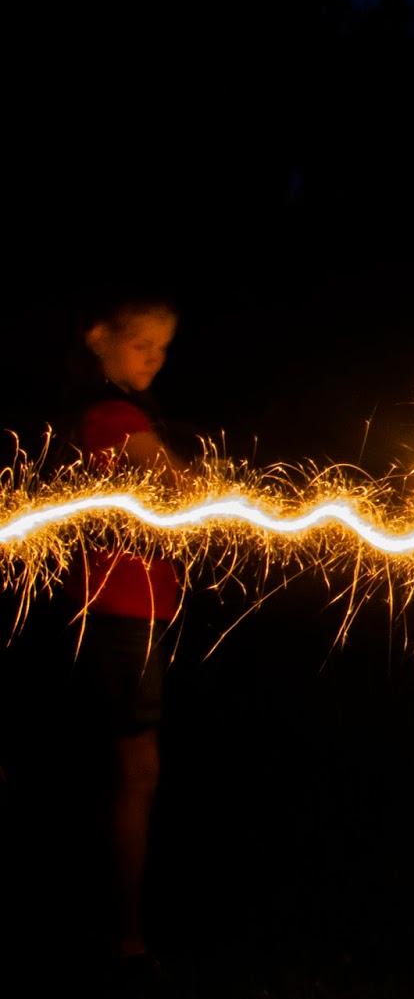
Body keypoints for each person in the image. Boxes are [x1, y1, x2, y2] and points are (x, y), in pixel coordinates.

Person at [61, 290, 186, 978]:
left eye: (163, 347)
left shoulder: (116, 411)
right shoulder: (115, 415)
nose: (154, 359)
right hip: (121, 613)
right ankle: (126, 942)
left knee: (122, 772)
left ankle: (111, 929)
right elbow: (178, 484)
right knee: (136, 771)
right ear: (99, 337)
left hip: (133, 611)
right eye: (141, 343)